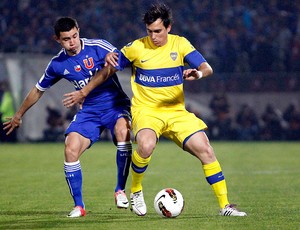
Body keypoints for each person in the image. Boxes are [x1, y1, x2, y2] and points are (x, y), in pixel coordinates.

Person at [63, 3, 247, 217]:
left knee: (206, 149)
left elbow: (207, 67)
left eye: (158, 31)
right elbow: (107, 69)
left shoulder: (181, 44)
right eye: (149, 31)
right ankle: (136, 190)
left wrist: (197, 74)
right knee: (146, 145)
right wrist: (85, 91)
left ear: (168, 27)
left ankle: (225, 206)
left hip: (176, 112)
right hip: (147, 111)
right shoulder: (136, 48)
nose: (153, 36)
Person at [3, 17, 132, 217]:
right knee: (70, 149)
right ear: (57, 39)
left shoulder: (97, 46)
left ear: (79, 31)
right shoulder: (57, 64)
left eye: (74, 36)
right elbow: (38, 90)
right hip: (89, 111)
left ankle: (120, 190)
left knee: (123, 132)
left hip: (115, 105)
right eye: (66, 39)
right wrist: (18, 115)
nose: (72, 42)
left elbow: (122, 58)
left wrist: (112, 57)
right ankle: (79, 206)